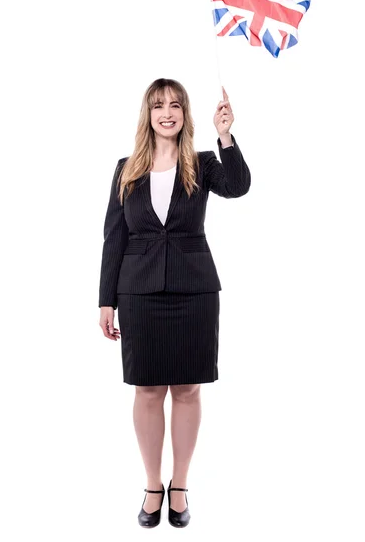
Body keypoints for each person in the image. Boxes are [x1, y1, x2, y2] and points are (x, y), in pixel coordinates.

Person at [98, 78, 251, 528]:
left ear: (185, 114)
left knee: (186, 389)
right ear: (148, 114)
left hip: (194, 290)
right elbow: (114, 237)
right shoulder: (126, 169)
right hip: (139, 290)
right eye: (158, 105)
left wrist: (225, 136)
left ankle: (180, 485)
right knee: (147, 390)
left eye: (176, 105)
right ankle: (152, 484)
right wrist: (106, 300)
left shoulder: (202, 164)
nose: (167, 112)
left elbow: (239, 186)